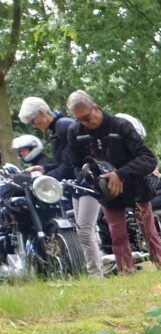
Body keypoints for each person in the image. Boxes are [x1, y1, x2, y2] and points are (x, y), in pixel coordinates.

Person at [66, 90, 161, 274]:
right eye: (78, 119)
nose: (84, 123)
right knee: (117, 234)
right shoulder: (75, 132)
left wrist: (120, 174)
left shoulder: (120, 126)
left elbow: (148, 159)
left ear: (96, 108)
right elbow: (76, 165)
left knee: (148, 230)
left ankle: (160, 265)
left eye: (86, 118)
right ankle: (125, 272)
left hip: (134, 185)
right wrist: (90, 180)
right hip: (106, 190)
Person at [17, 96, 106, 278]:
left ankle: (96, 274)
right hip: (77, 185)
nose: (34, 126)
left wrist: (42, 181)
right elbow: (63, 163)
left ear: (42, 114)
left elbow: (68, 166)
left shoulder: (63, 127)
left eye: (33, 121)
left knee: (84, 231)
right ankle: (93, 272)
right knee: (83, 231)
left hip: (86, 183)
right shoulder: (57, 129)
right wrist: (44, 168)